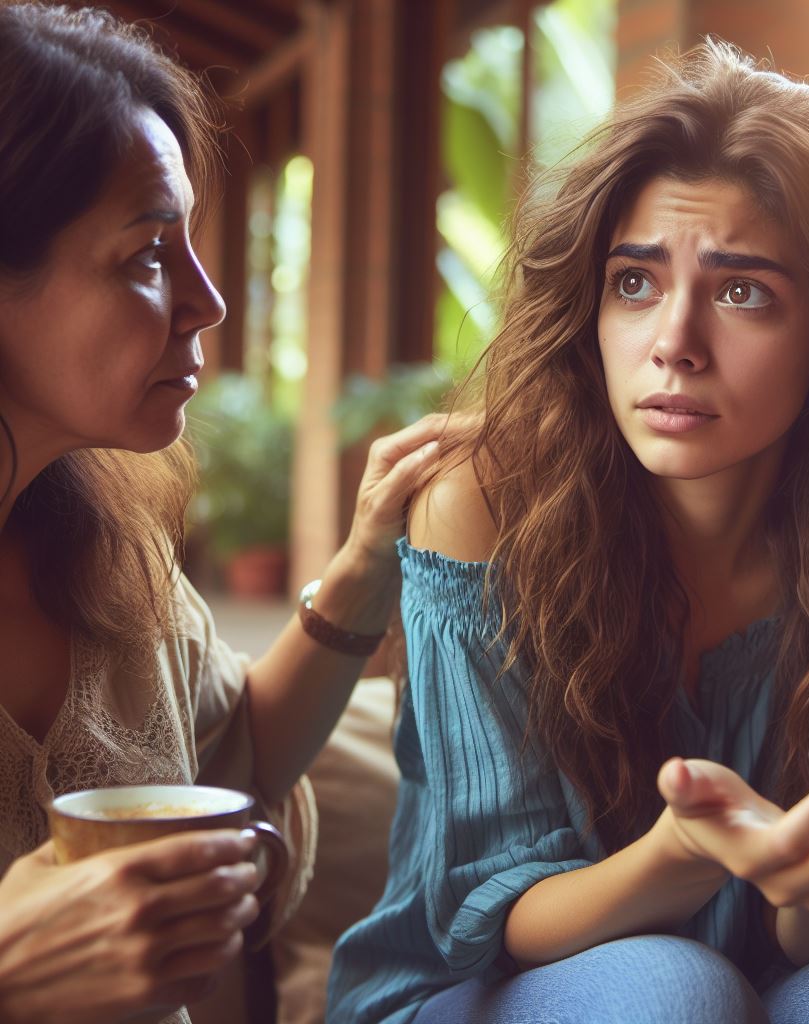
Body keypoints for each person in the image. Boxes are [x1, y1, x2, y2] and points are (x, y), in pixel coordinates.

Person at [327, 40, 809, 1024]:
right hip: (481, 986)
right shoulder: (484, 506)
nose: (674, 343)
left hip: (765, 981)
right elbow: (490, 912)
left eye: (742, 293)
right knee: (672, 991)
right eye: (635, 284)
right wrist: (686, 847)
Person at [0, 4, 453, 1023]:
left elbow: (229, 754)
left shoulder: (111, 559)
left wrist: (364, 562)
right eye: (147, 257)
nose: (209, 301)